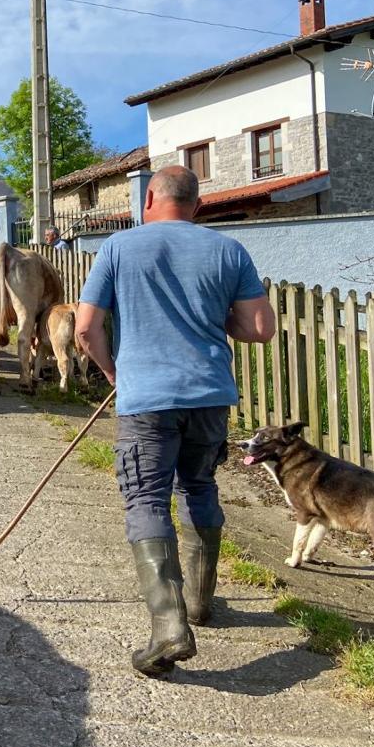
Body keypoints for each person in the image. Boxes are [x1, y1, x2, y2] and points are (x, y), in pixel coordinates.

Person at [74, 166, 275, 677]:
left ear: (148, 200)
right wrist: (218, 318)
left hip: (147, 399)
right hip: (209, 396)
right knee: (199, 486)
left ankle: (169, 626)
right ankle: (202, 604)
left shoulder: (118, 248)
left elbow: (85, 328)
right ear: (197, 206)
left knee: (146, 498)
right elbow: (259, 327)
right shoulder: (228, 250)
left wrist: (114, 372)